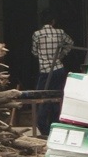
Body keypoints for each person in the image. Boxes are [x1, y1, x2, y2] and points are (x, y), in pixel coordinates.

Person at [31, 9, 74, 137]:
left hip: (45, 70)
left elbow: (34, 52)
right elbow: (70, 43)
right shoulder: (60, 32)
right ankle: (55, 125)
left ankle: (42, 126)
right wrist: (60, 55)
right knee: (57, 96)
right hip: (59, 69)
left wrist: (43, 56)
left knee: (42, 97)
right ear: (53, 21)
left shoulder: (37, 34)